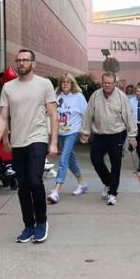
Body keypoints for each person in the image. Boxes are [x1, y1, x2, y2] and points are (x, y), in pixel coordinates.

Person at [0, 49, 58, 243]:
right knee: (22, 186)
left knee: (35, 181)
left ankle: (42, 222)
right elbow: (3, 117)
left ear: (33, 63)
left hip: (37, 138)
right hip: (18, 141)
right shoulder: (8, 87)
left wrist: (53, 142)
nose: (21, 63)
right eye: (18, 60)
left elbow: (53, 114)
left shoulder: (44, 84)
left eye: (25, 60)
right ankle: (28, 225)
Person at [79, 72, 138, 206]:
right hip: (99, 134)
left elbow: (129, 117)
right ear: (102, 82)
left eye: (109, 83)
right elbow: (88, 114)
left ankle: (112, 193)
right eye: (104, 82)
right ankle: (108, 182)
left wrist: (132, 136)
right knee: (96, 160)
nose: (107, 85)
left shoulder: (121, 97)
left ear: (114, 83)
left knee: (116, 163)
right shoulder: (95, 96)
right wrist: (85, 132)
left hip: (117, 134)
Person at [47, 73, 89, 203]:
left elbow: (86, 115)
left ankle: (56, 190)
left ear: (72, 84)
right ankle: (82, 183)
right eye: (63, 82)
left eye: (68, 82)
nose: (65, 84)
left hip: (73, 132)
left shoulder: (79, 97)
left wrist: (85, 132)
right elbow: (50, 113)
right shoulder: (56, 96)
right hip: (60, 133)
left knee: (64, 158)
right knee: (70, 159)